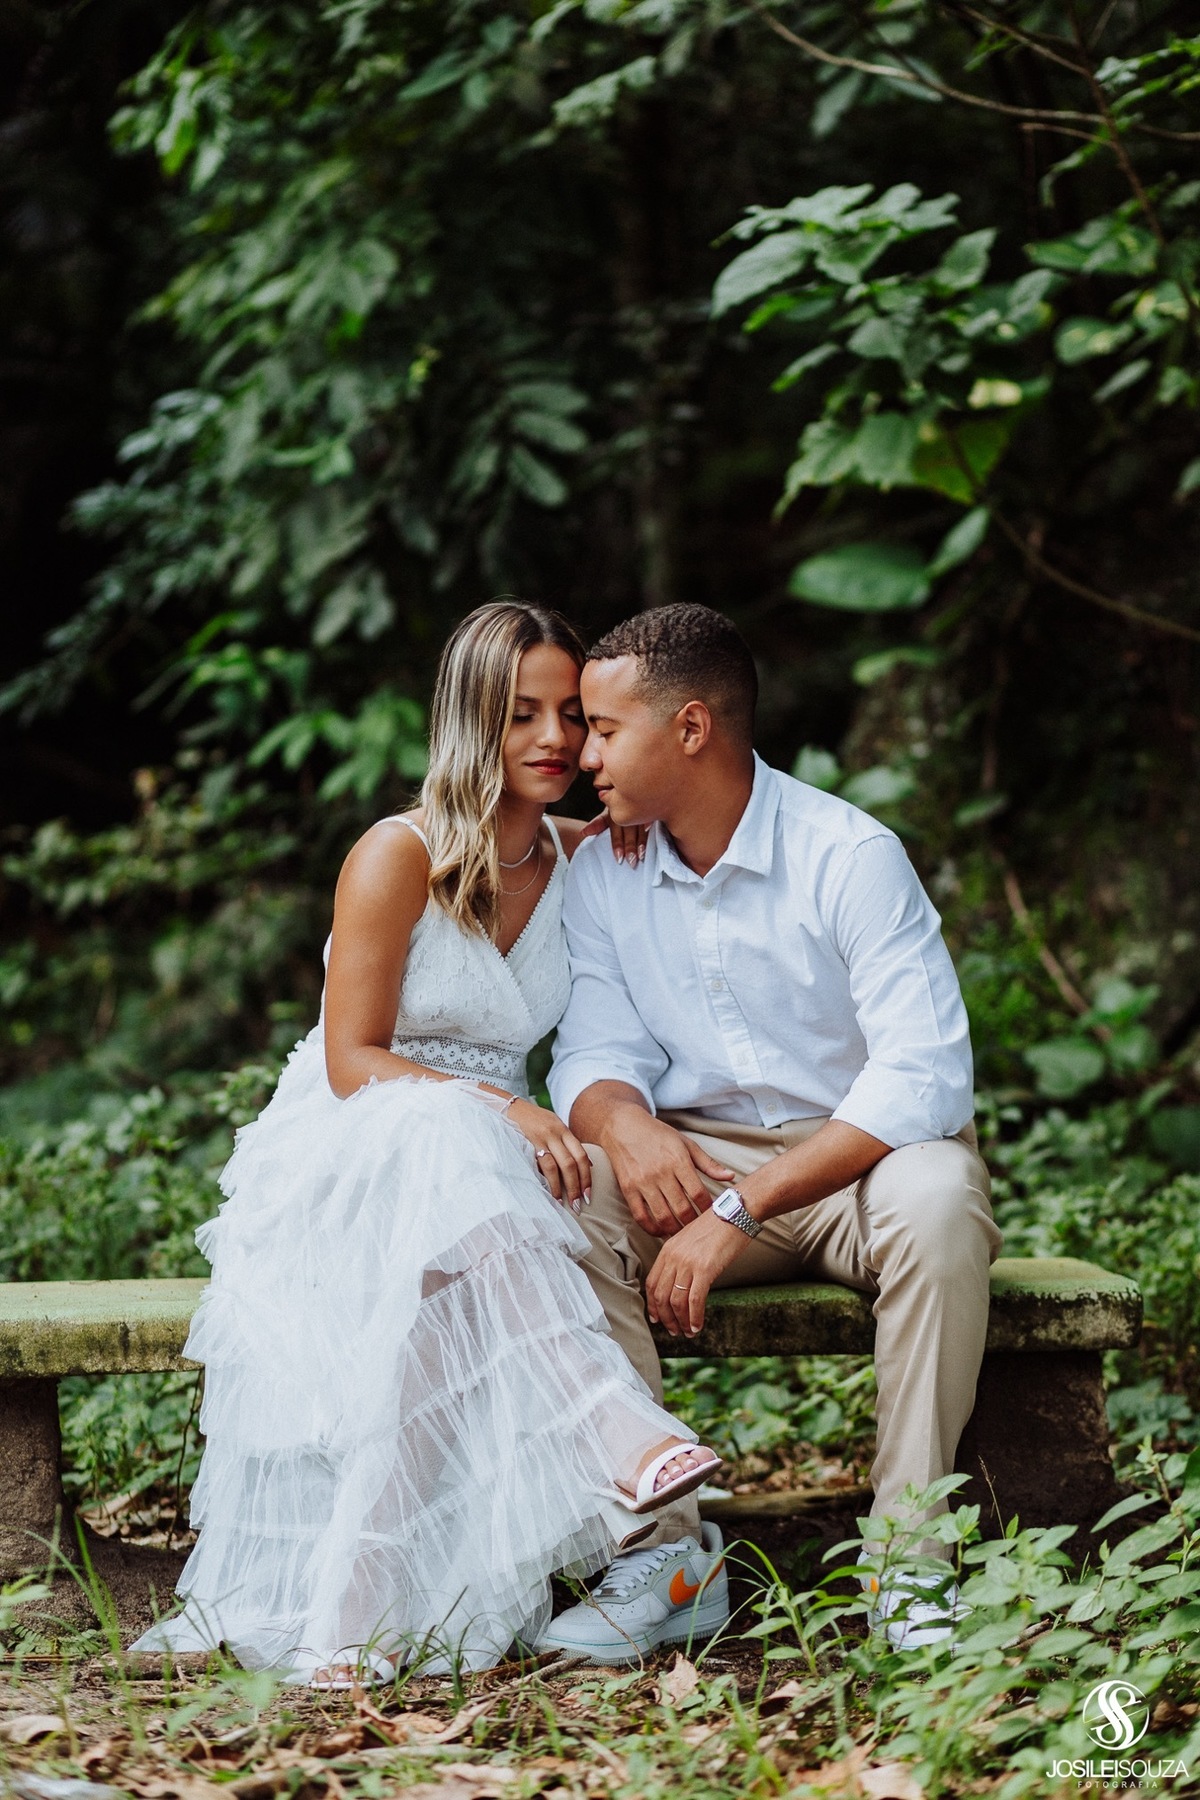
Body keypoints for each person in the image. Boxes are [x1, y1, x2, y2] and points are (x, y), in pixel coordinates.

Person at [130, 601, 721, 1686]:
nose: (552, 740)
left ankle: (353, 1626)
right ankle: (614, 1437)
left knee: (429, 1333)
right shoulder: (395, 856)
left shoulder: (585, 858)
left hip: (487, 1180)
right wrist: (504, 1109)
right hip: (356, 1147)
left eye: (566, 717)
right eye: (518, 716)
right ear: (468, 724)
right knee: (447, 1128)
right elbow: (354, 1058)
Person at [538, 602, 1001, 1660]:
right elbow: (591, 1054)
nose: (581, 753)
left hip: (859, 1162)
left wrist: (744, 1206)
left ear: (690, 728)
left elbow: (923, 1076)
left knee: (939, 1200)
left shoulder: (847, 853)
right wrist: (625, 1127)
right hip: (694, 1156)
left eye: (605, 730)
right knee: (556, 1206)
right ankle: (666, 1559)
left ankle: (909, 1566)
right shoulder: (604, 872)